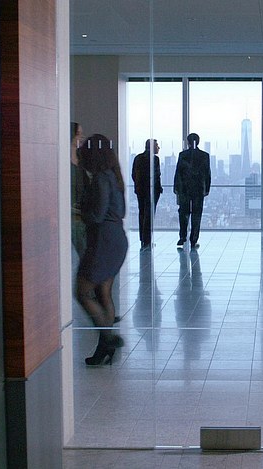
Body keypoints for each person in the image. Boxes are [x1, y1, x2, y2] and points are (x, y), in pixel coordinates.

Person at [76, 134, 128, 366]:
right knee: (103, 293)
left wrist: (80, 212)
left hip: (102, 242)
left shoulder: (100, 179)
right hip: (116, 240)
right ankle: (104, 348)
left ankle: (108, 338)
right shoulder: (115, 177)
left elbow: (96, 215)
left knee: (83, 292)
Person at [173, 133, 211, 248]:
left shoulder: (183, 155)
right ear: (198, 142)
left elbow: (178, 173)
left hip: (184, 189)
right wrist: (206, 189)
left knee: (183, 213)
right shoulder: (204, 156)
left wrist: (176, 188)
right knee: (196, 214)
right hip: (198, 189)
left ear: (188, 142)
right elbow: (207, 174)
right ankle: (194, 239)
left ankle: (182, 237)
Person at [132, 138, 163, 250]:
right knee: (149, 215)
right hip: (151, 190)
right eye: (157, 145)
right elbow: (156, 175)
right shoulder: (155, 159)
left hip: (140, 190)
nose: (158, 148)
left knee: (142, 213)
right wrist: (158, 188)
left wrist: (138, 185)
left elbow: (134, 174)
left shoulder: (138, 158)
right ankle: (147, 240)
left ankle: (143, 239)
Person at [70, 122, 88, 255]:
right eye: (78, 134)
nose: (81, 137)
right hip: (73, 216)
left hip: (83, 215)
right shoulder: (62, 162)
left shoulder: (83, 160)